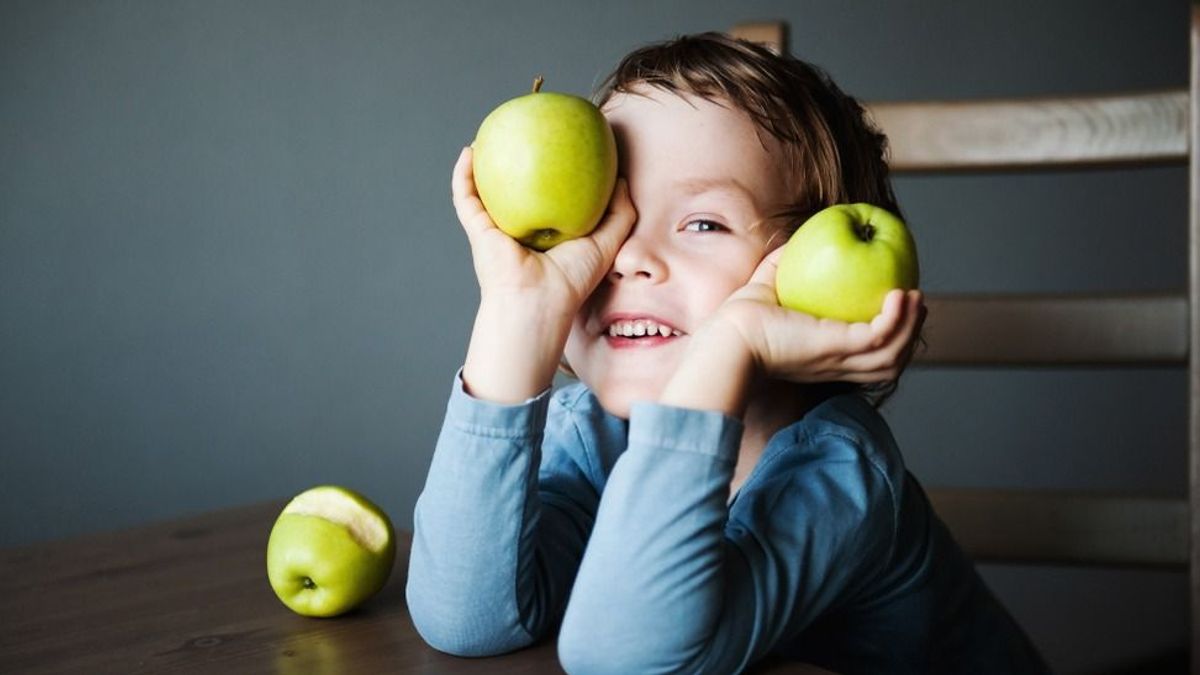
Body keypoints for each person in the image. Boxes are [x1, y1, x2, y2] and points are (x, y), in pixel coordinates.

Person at [407, 32, 1050, 674]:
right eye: (607, 215)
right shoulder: (593, 436)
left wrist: (729, 347)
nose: (627, 257)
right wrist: (518, 309)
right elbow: (467, 618)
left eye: (703, 224)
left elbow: (622, 663)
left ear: (804, 270)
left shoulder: (841, 474)